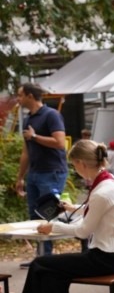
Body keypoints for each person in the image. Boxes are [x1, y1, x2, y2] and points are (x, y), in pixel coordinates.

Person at [17, 139, 114, 293]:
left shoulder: (102, 191)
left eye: (74, 165)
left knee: (41, 264)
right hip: (109, 254)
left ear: (81, 163)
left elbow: (83, 232)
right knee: (51, 274)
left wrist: (53, 226)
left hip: (105, 258)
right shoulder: (108, 180)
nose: (75, 170)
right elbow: (92, 211)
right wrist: (71, 210)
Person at [15, 82, 68, 264]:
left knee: (49, 213)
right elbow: (26, 151)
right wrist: (20, 177)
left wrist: (35, 137)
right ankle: (40, 257)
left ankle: (48, 257)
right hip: (34, 174)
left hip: (52, 172)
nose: (18, 99)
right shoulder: (29, 119)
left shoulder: (51, 115)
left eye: (20, 95)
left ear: (30, 96)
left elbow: (60, 142)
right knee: (34, 215)